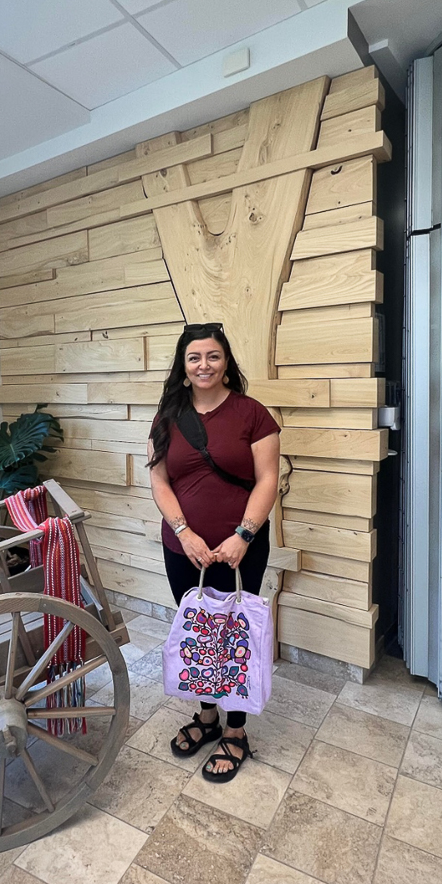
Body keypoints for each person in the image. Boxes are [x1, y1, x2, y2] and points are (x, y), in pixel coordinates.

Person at [147, 322, 280, 780]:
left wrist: (243, 535)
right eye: (194, 358)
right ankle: (207, 716)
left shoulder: (252, 414)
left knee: (234, 638)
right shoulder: (167, 417)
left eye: (213, 356)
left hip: (240, 549)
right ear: (183, 368)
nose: (203, 365)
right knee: (199, 635)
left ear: (225, 364)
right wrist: (184, 532)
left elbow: (268, 479)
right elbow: (159, 480)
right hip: (183, 549)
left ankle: (235, 730)